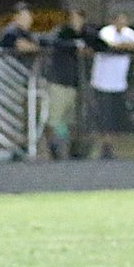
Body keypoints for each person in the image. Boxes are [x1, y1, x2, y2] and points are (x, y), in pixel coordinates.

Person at [90, 11, 134, 158]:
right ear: (113, 21)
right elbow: (110, 45)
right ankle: (102, 146)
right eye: (119, 20)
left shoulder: (128, 32)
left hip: (118, 84)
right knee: (103, 117)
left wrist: (126, 45)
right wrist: (127, 46)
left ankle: (110, 146)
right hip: (102, 83)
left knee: (114, 117)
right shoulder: (106, 31)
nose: (122, 23)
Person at [43, 9, 92, 159]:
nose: (75, 21)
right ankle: (53, 150)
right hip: (59, 83)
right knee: (54, 119)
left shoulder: (86, 34)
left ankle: (72, 151)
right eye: (73, 18)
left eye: (78, 18)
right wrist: (74, 45)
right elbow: (49, 41)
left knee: (73, 120)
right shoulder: (62, 33)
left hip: (77, 84)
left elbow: (100, 44)